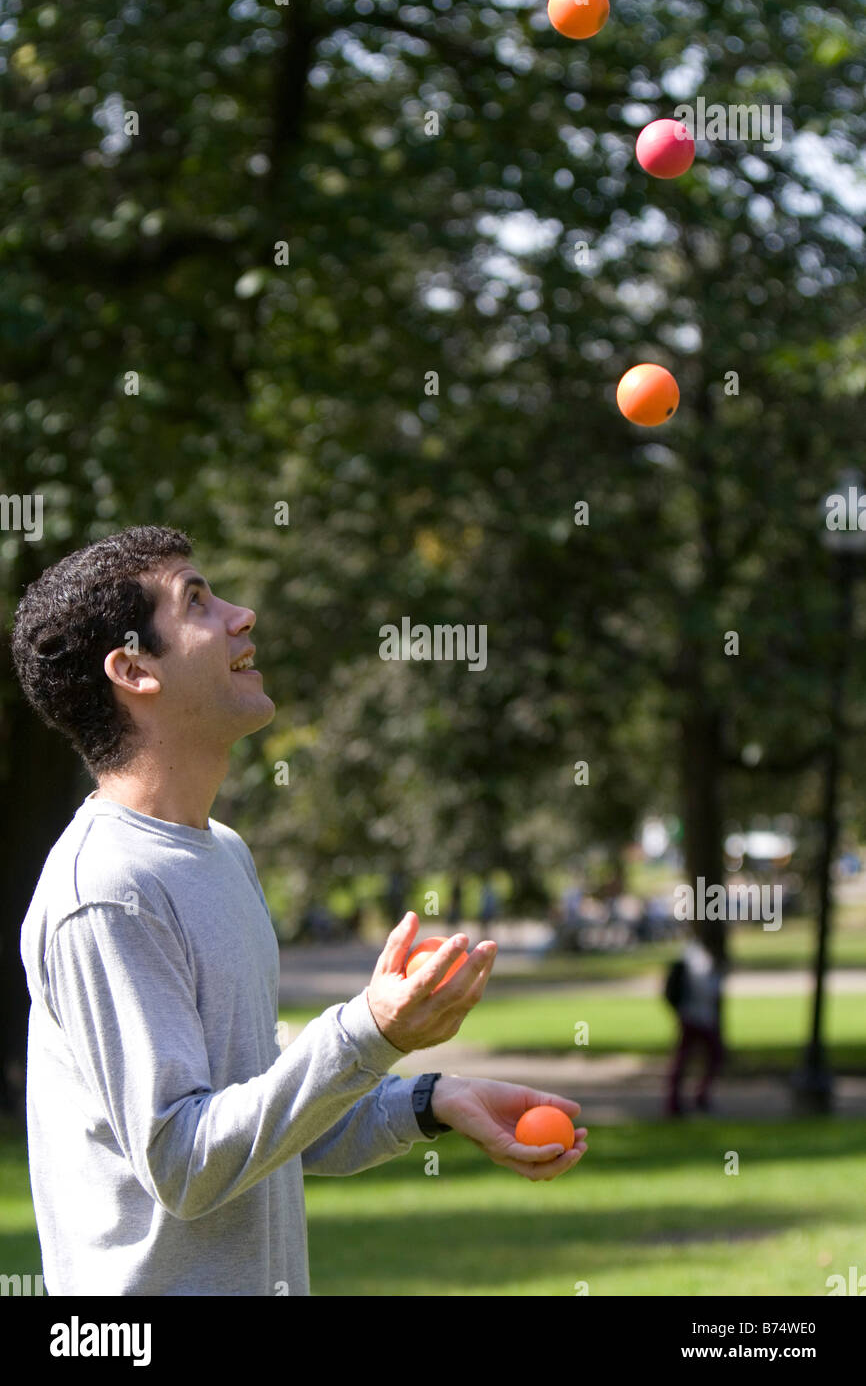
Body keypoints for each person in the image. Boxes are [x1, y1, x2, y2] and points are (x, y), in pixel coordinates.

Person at [12, 525, 589, 1297]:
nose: (242, 615)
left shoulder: (223, 852)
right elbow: (184, 1165)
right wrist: (367, 1032)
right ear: (134, 668)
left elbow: (265, 1126)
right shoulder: (107, 890)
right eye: (197, 601)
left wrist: (430, 1100)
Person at [664, 938, 725, 1117]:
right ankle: (678, 1101)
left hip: (699, 1017)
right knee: (688, 1059)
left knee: (704, 1057)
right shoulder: (697, 959)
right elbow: (705, 991)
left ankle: (694, 1097)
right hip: (695, 1018)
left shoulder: (701, 958)